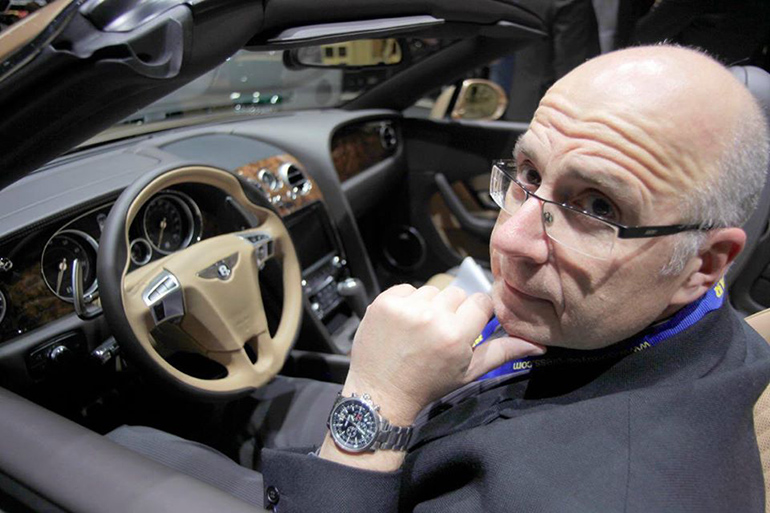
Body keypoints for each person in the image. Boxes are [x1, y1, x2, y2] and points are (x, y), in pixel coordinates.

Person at [258, 45, 770, 511]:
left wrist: (377, 399)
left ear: (704, 263)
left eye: (598, 207)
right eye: (529, 174)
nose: (508, 240)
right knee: (250, 403)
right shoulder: (690, 323)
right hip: (440, 416)